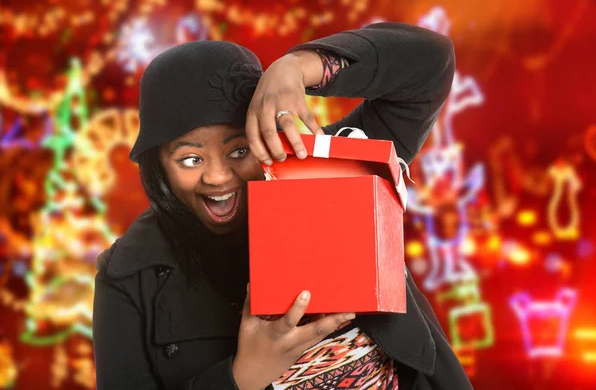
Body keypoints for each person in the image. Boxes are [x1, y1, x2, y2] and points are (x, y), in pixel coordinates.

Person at [93, 22, 474, 390]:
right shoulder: (127, 276)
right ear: (158, 167)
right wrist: (243, 377)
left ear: (265, 133)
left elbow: (431, 62)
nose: (218, 178)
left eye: (239, 150)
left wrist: (297, 66)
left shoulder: (337, 171)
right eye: (191, 160)